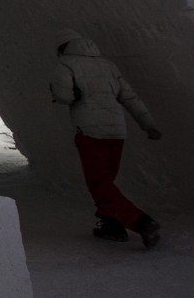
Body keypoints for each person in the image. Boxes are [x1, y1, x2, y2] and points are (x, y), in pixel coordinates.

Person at [50, 29, 163, 248]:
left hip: (90, 132)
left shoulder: (65, 64)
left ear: (63, 48)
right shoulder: (108, 65)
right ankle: (112, 226)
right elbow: (129, 97)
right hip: (117, 131)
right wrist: (148, 124)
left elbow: (64, 96)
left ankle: (142, 222)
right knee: (106, 182)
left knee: (99, 184)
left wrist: (62, 93)